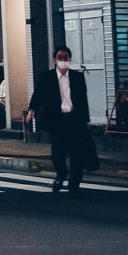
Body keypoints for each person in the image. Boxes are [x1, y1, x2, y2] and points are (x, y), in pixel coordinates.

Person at [27, 44, 93, 193]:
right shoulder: (47, 77)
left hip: (74, 119)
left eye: (65, 57)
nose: (63, 60)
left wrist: (86, 120)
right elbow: (38, 95)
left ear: (69, 59)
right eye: (59, 57)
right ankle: (61, 174)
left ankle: (74, 183)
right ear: (55, 60)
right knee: (58, 152)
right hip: (57, 120)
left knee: (77, 152)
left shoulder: (77, 77)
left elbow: (83, 100)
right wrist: (32, 109)